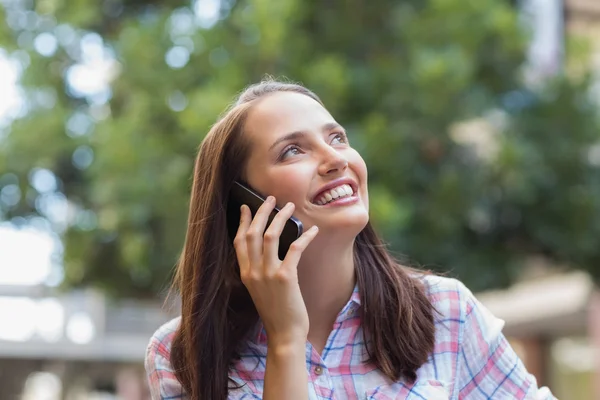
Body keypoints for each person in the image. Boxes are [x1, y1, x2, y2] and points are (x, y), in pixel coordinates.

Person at [144, 78, 556, 400]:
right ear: (242, 203)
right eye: (292, 151)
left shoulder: (447, 313)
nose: (336, 159)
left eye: (337, 137)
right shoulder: (183, 353)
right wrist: (286, 340)